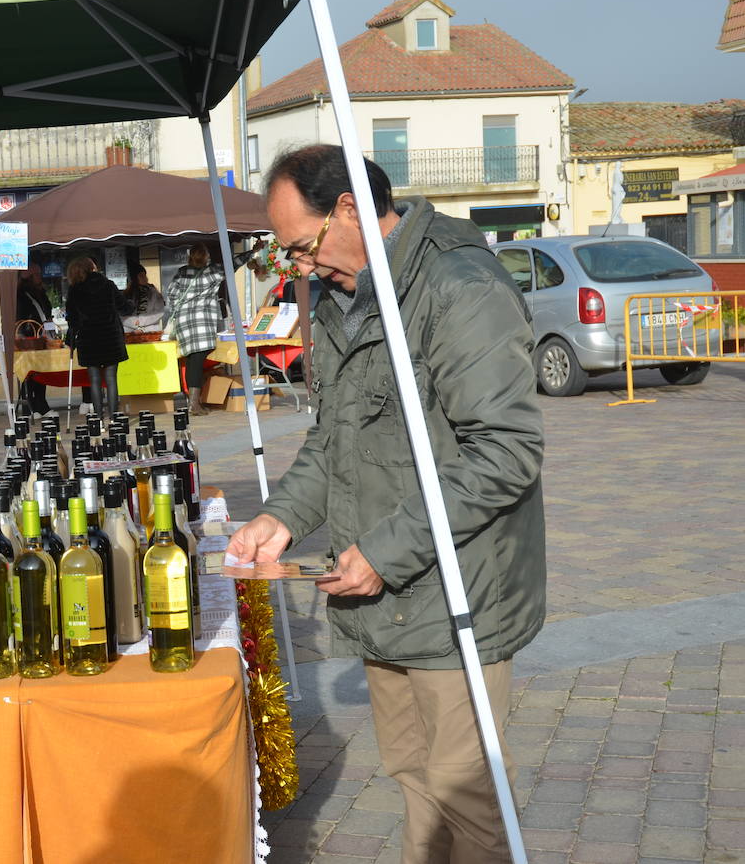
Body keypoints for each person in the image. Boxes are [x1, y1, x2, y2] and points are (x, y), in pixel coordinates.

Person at [227, 144, 545, 863]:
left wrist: (385, 551)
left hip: (456, 588)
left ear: (349, 209)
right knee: (414, 779)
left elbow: (505, 451)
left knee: (465, 796)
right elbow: (334, 435)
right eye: (290, 258)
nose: (301, 268)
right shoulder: (346, 296)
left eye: (302, 248)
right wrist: (282, 517)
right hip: (385, 591)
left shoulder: (457, 286)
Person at [162, 242, 257, 414]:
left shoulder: (182, 272)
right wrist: (253, 251)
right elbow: (233, 263)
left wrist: (183, 308)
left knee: (192, 361)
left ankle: (193, 400)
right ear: (205, 256)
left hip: (184, 323)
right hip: (203, 323)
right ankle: (193, 404)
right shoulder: (213, 271)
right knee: (197, 362)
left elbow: (171, 295)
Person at [64, 255, 132, 418]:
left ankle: (99, 419)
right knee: (111, 379)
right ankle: (114, 417)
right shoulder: (108, 285)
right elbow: (124, 307)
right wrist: (132, 304)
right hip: (111, 337)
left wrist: (72, 337)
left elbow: (72, 318)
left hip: (89, 339)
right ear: (92, 268)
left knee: (94, 380)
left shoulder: (74, 290)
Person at [16, 265, 54, 415]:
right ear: (29, 278)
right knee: (30, 374)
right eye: (37, 274)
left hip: (40, 337)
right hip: (29, 339)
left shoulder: (40, 292)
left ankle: (39, 404)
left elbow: (47, 310)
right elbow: (20, 316)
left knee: (40, 372)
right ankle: (32, 407)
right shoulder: (21, 294)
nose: (40, 277)